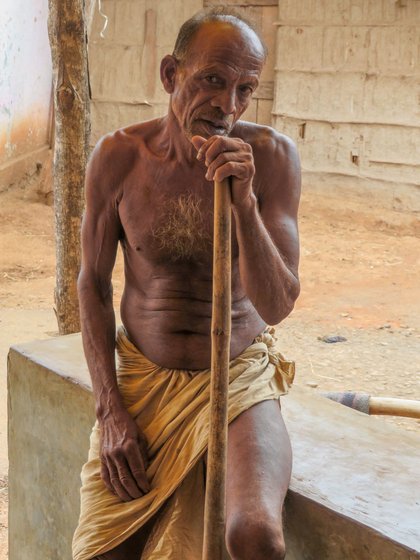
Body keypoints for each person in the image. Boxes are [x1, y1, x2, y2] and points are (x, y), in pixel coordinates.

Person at [73, 7, 300, 560]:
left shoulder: (270, 159)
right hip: (144, 380)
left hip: (237, 376)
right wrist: (110, 408)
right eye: (213, 81)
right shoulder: (119, 157)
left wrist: (242, 202)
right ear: (171, 74)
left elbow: (275, 305)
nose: (228, 106)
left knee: (255, 535)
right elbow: (92, 286)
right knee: (103, 552)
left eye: (246, 89)